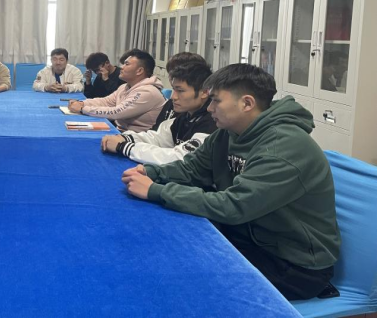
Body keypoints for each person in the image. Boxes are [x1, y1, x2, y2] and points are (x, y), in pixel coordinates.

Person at [120, 64, 341, 300]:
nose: (209, 108)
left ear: (247, 103)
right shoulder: (229, 132)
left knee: (182, 280)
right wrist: (152, 172)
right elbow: (192, 168)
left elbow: (234, 206)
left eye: (216, 101)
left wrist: (156, 191)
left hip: (293, 264)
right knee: (166, 248)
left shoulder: (284, 148)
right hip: (248, 236)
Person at [101, 61, 216, 165]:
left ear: (204, 92)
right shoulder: (186, 115)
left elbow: (179, 158)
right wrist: (125, 138)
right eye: (173, 89)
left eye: (180, 91)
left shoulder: (212, 122)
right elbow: (158, 138)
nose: (173, 97)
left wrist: (124, 146)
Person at [68, 49, 164, 132]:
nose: (122, 67)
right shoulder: (125, 87)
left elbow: (117, 112)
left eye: (127, 64)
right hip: (121, 132)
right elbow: (106, 101)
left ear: (139, 71)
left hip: (137, 139)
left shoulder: (147, 92)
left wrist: (82, 109)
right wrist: (82, 103)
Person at [153, 52, 208, 130]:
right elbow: (157, 132)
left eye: (180, 90)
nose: (173, 97)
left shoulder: (208, 120)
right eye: (171, 73)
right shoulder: (177, 108)